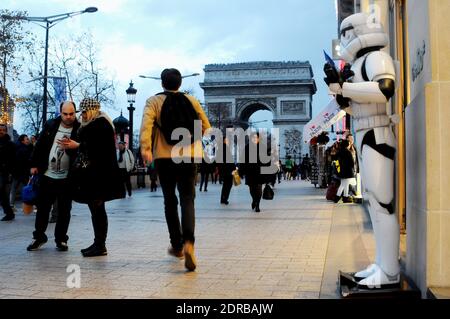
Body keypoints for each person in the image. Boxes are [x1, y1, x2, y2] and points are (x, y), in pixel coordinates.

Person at [325, 12, 399, 287]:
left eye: (344, 34)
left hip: (377, 132)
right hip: (365, 131)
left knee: (382, 202)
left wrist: (346, 87)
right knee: (373, 202)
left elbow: (384, 90)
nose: (343, 41)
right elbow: (352, 107)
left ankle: (390, 271)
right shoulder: (360, 63)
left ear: (353, 32)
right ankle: (382, 263)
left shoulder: (376, 58)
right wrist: (339, 91)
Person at [139, 68, 210, 271]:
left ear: (162, 83)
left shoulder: (154, 101)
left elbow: (146, 126)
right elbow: (206, 126)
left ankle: (177, 246)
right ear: (180, 83)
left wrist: (145, 148)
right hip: (189, 156)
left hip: (164, 156)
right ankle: (189, 242)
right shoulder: (192, 100)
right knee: (188, 199)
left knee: (170, 201)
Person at [65, 98, 125, 257]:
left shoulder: (102, 124)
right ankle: (98, 243)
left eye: (84, 112)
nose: (82, 115)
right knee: (96, 209)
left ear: (92, 111)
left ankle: (100, 245)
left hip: (99, 175)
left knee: (98, 209)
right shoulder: (92, 124)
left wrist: (77, 145)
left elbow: (99, 149)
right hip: (93, 174)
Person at [26, 101, 80, 251]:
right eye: (65, 114)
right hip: (47, 175)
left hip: (67, 178)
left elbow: (82, 152)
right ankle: (39, 237)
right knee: (43, 208)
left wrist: (72, 147)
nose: (68, 117)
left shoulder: (80, 128)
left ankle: (61, 239)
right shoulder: (51, 125)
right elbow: (40, 146)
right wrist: (33, 165)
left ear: (75, 112)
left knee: (64, 211)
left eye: (71, 114)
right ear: (60, 112)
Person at [9, 134, 32, 211]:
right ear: (22, 140)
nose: (28, 140)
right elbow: (27, 162)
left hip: (16, 172)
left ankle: (11, 205)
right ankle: (27, 206)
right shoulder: (25, 149)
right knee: (27, 189)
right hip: (23, 172)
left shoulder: (16, 147)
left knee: (14, 188)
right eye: (27, 139)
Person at [0, 124, 15, 221]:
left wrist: (10, 172)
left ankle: (9, 212)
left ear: (6, 131)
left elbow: (13, 159)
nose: (1, 131)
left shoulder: (10, 144)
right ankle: (9, 212)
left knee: (1, 192)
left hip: (4, 171)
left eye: (3, 130)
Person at [218, 136, 235, 205]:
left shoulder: (220, 148)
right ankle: (225, 199)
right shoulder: (225, 148)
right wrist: (233, 168)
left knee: (225, 185)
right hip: (228, 170)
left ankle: (222, 198)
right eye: (226, 140)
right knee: (228, 185)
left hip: (224, 170)